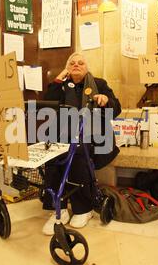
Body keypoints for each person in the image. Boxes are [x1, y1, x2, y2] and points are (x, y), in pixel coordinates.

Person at [41, 52, 121, 235]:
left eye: (81, 63)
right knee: (52, 154)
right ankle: (57, 209)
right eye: (72, 63)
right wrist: (58, 80)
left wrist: (106, 100)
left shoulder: (99, 84)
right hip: (63, 135)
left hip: (94, 136)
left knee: (77, 151)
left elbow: (116, 108)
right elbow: (48, 105)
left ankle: (83, 209)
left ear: (87, 68)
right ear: (67, 68)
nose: (76, 65)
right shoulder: (61, 86)